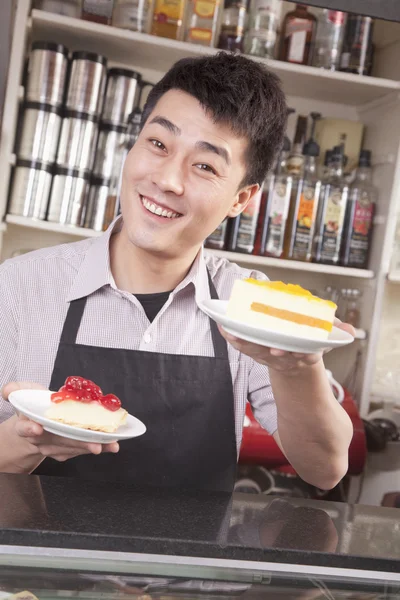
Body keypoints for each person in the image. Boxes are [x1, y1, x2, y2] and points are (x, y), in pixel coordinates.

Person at [0, 52, 353, 491]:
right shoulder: (19, 287)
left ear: (241, 200)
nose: (169, 180)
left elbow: (326, 468)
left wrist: (299, 367)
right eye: (158, 144)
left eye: (205, 166)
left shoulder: (247, 306)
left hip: (191, 561)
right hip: (34, 560)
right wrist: (25, 442)